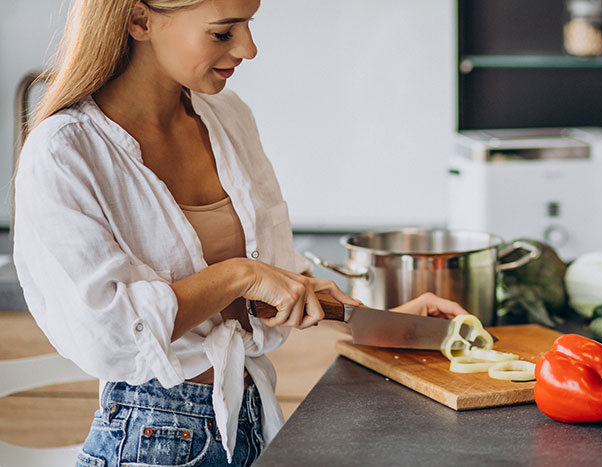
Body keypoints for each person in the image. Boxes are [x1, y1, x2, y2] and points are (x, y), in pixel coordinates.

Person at [12, 1, 469, 466]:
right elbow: (109, 331)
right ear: (139, 21)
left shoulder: (226, 117)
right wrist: (240, 275)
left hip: (248, 420)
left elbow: (271, 289)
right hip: (149, 437)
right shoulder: (64, 150)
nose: (249, 48)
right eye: (223, 33)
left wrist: (384, 320)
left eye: (248, 25)